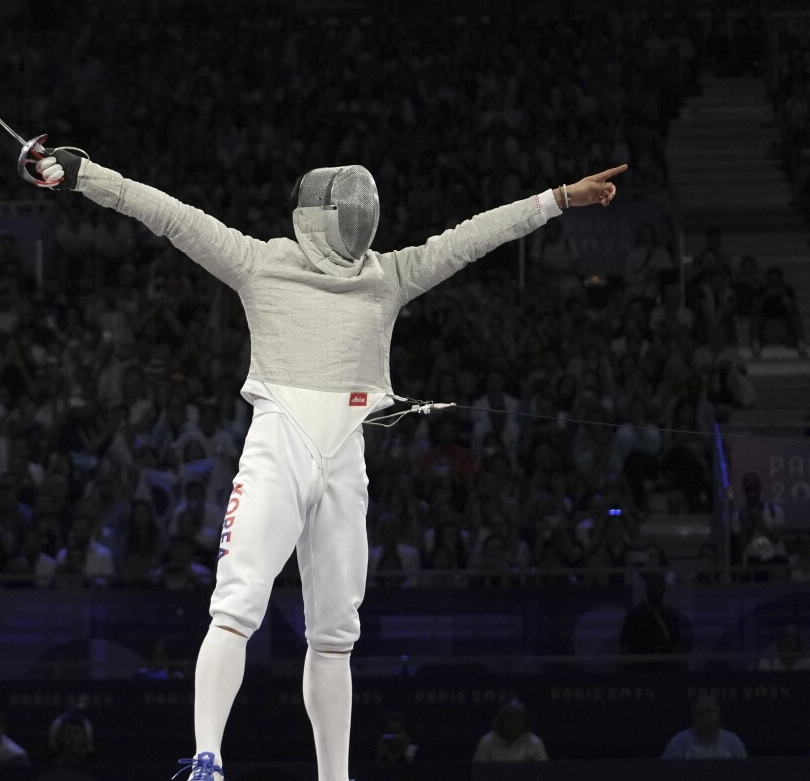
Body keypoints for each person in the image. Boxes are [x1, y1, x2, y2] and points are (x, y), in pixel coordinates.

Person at [32, 147, 624, 781]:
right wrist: (82, 175)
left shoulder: (376, 273)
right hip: (280, 448)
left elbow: (474, 237)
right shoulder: (271, 265)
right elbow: (167, 214)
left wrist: (560, 198)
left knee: (336, 635)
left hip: (344, 461)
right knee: (237, 607)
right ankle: (208, 756)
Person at [619, 571, 691, 670]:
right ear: (647, 588)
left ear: (664, 589)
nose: (656, 589)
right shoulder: (634, 615)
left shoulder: (671, 615)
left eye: (659, 586)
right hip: (640, 671)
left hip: (666, 670)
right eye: (652, 586)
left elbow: (676, 645)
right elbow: (625, 646)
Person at [661, 696, 748, 759]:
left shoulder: (733, 741)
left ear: (718, 714)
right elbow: (665, 771)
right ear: (693, 716)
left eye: (708, 711)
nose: (704, 716)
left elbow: (745, 772)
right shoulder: (679, 742)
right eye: (699, 713)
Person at [472, 700, 548, 762]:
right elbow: (477, 774)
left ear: (525, 722)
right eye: (509, 717)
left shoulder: (536, 743)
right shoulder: (486, 742)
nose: (513, 723)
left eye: (517, 718)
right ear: (501, 720)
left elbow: (545, 774)